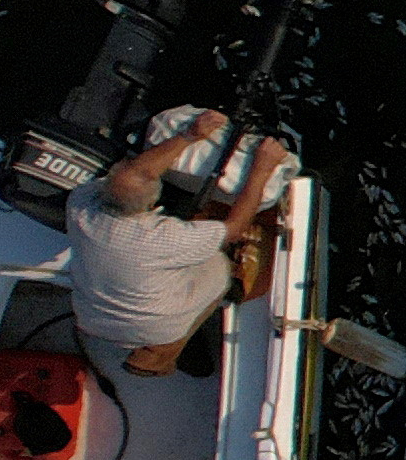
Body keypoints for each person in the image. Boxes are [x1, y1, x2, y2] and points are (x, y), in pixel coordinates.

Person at [67, 107, 291, 378]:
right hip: (158, 324)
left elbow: (138, 174)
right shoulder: (163, 239)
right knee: (217, 269)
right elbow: (233, 230)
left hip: (92, 318)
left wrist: (189, 136)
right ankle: (159, 356)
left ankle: (158, 338)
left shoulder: (81, 202)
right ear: (152, 205)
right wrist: (261, 169)